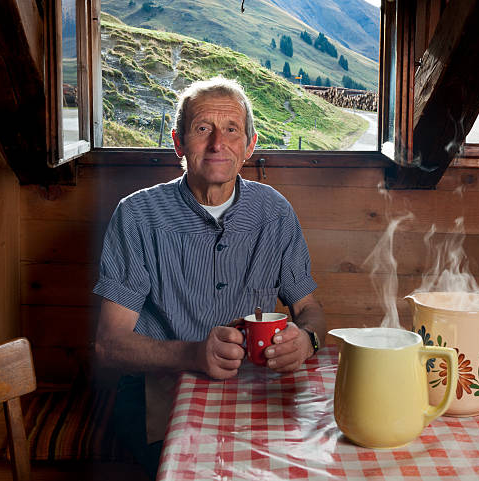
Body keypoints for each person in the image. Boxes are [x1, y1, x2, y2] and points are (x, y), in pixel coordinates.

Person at [93, 76, 325, 479]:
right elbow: (109, 345)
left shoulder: (275, 212)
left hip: (255, 391)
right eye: (203, 129)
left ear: (249, 146)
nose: (218, 143)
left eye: (232, 129)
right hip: (159, 398)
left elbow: (311, 310)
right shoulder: (137, 215)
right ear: (179, 143)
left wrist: (307, 340)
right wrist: (193, 354)